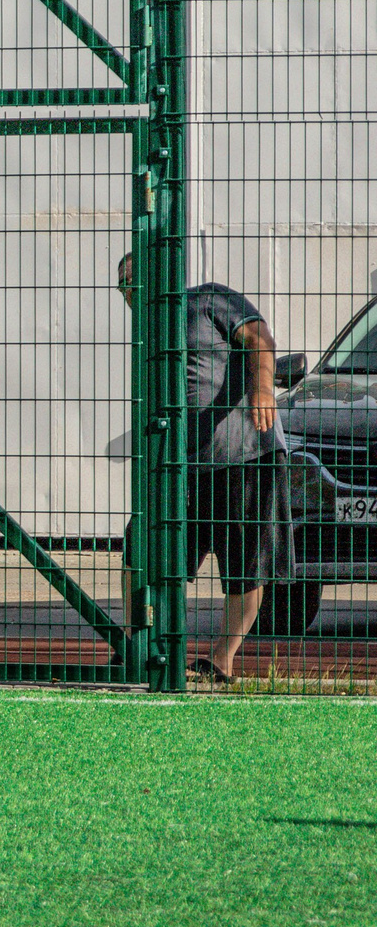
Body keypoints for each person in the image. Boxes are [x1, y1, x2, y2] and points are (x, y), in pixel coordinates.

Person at [117, 254, 292, 683]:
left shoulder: (210, 300)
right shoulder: (147, 332)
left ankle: (221, 660)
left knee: (246, 564)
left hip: (245, 453)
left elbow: (259, 338)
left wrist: (262, 388)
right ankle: (138, 648)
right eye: (123, 286)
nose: (129, 292)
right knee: (142, 547)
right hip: (180, 467)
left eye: (134, 280)